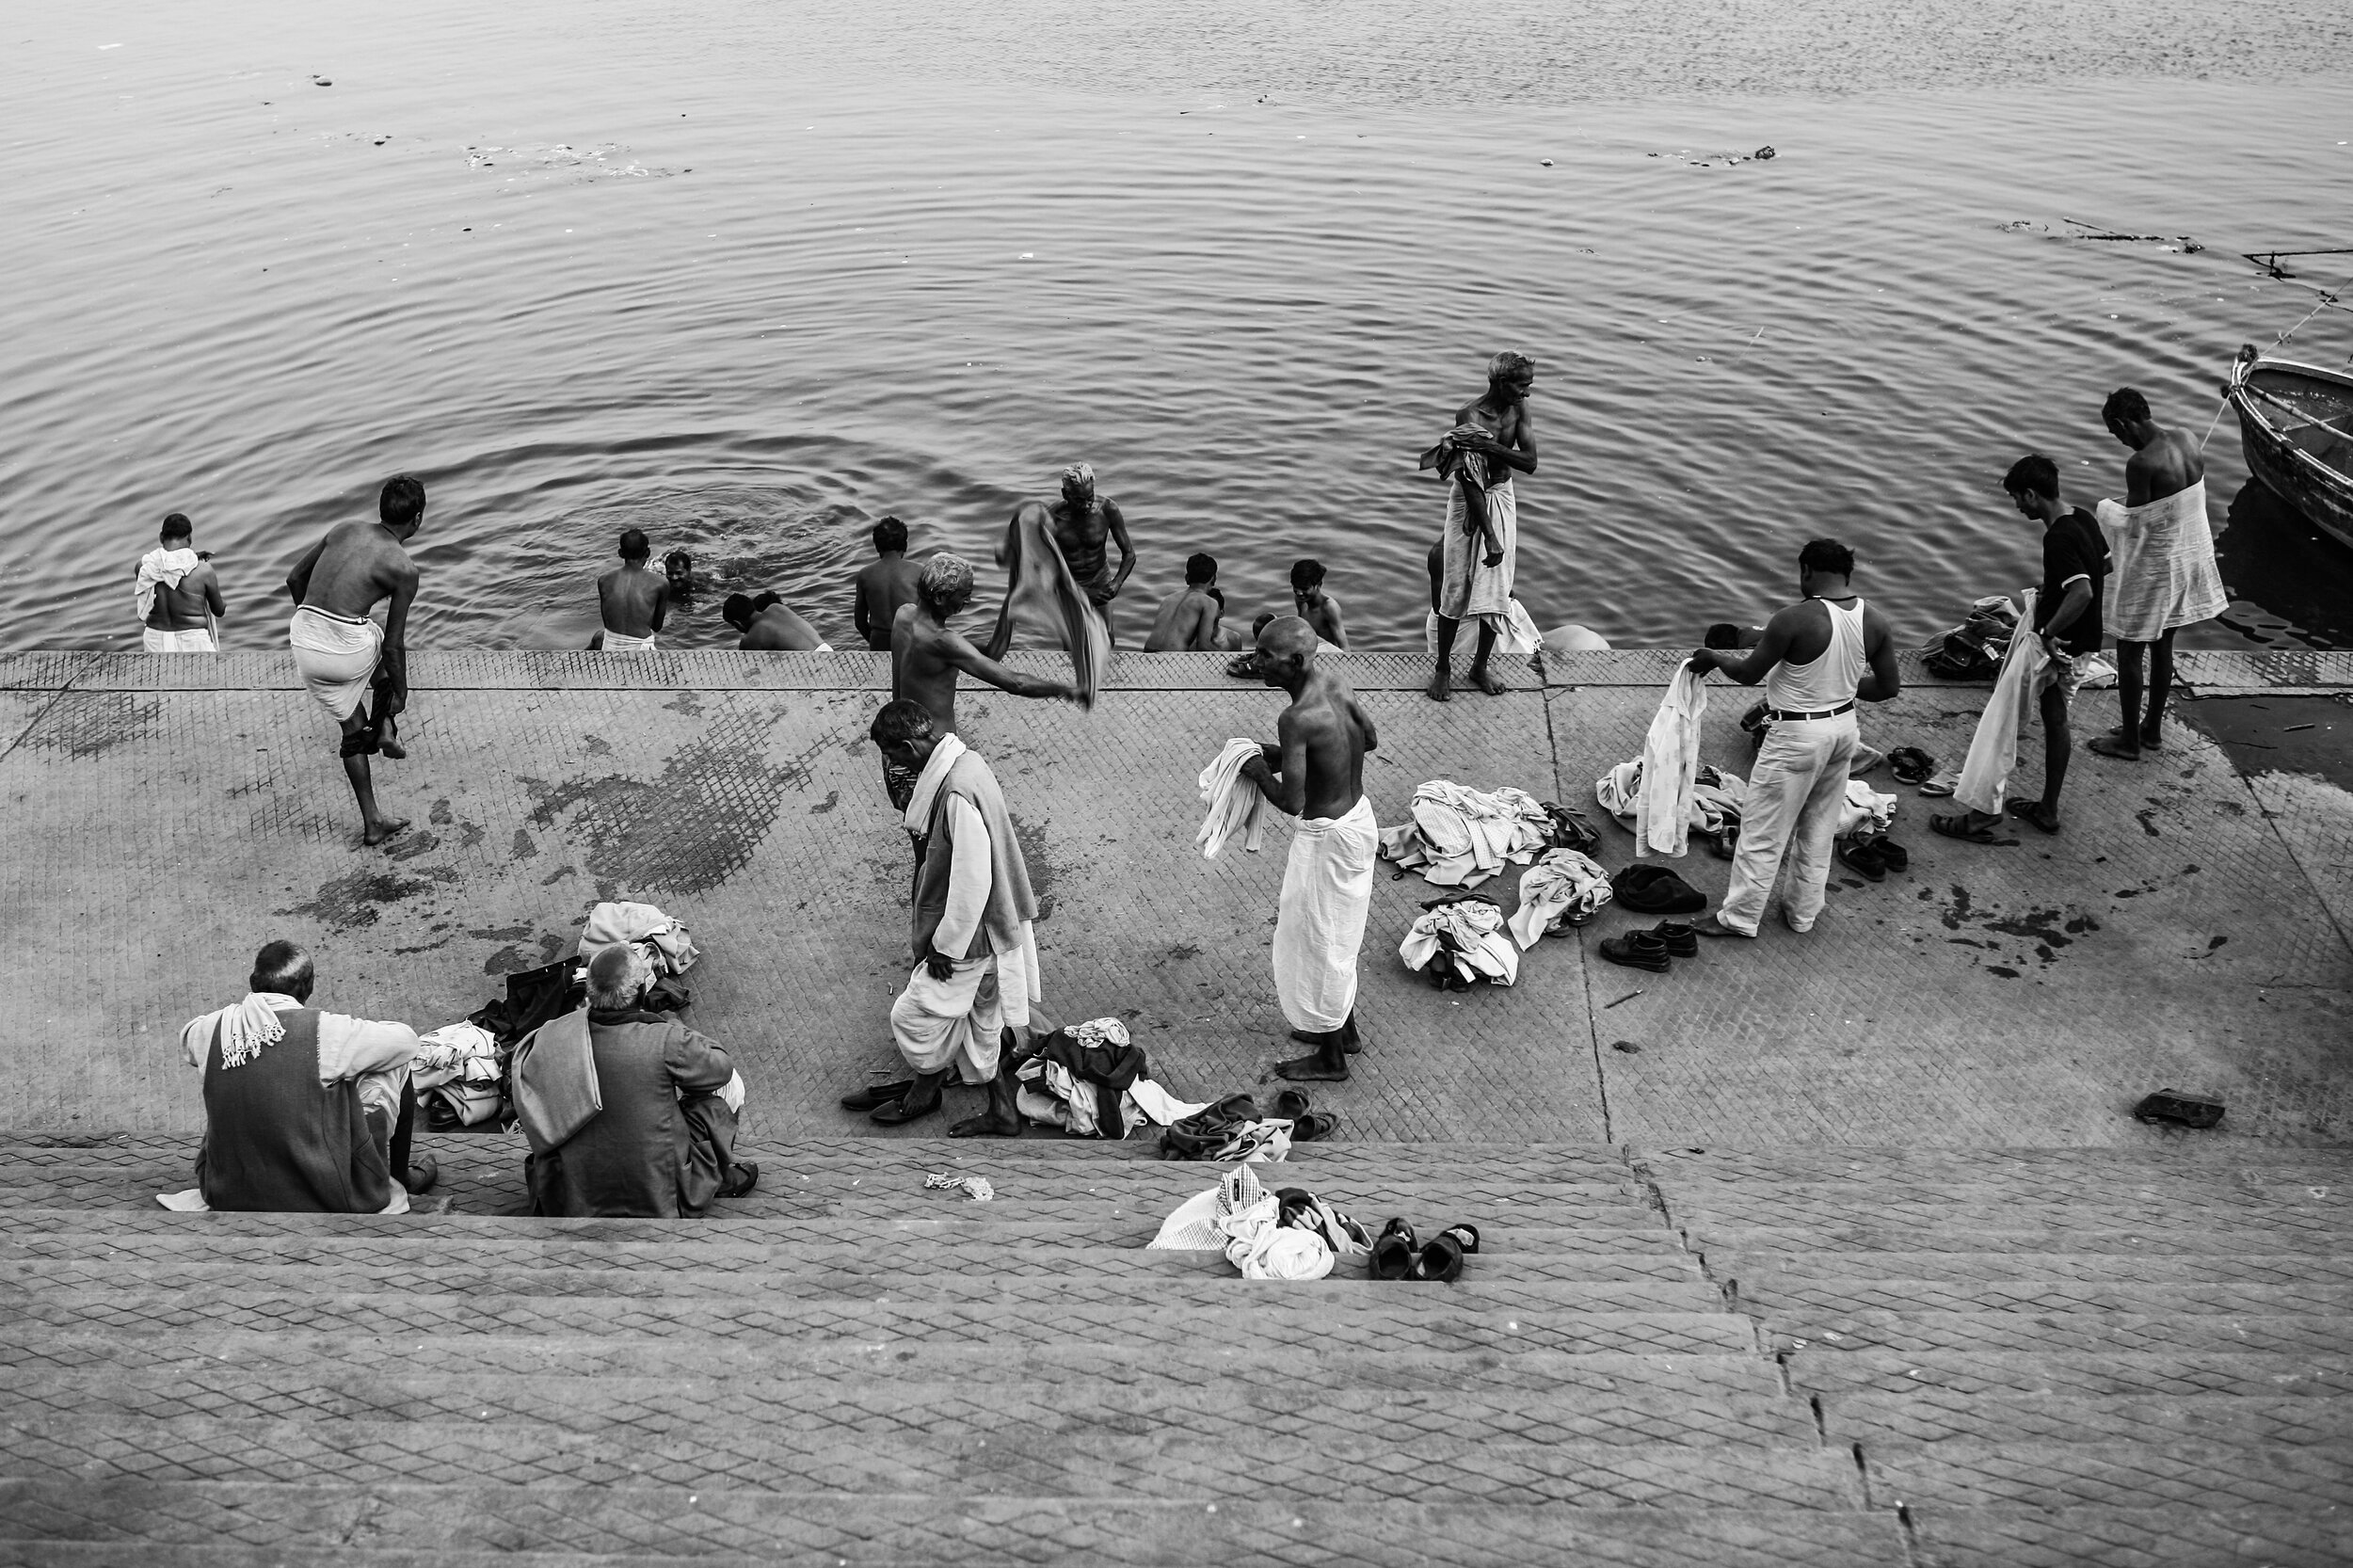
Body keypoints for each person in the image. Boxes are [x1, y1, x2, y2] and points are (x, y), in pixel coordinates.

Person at [843, 699, 1040, 1136]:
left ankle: (927, 1086)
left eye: (894, 756)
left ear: (912, 747)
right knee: (978, 1015)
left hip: (973, 934)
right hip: (992, 926)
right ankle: (995, 1107)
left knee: (915, 1015)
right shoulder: (967, 762)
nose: (894, 766)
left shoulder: (954, 793)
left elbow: (973, 880)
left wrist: (943, 947)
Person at [1685, 539, 1899, 937]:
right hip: (1844, 730)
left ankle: (1739, 918)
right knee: (1818, 829)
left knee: (1763, 831)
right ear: (1847, 574)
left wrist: (1713, 657)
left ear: (1806, 571)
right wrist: (1843, 687)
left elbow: (1748, 673)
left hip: (1796, 736)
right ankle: (1802, 914)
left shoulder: (1794, 618)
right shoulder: (1876, 620)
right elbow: (1888, 687)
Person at [178, 939, 436, 1212]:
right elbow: (407, 1042)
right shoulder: (328, 1031)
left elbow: (189, 1038)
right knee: (393, 1065)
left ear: (253, 983)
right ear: (307, 987)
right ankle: (401, 1176)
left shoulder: (212, 1028)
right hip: (324, 1191)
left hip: (225, 1190)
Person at [1935, 456, 2110, 840]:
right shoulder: (2082, 518)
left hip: (2050, 646)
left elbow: (2082, 591)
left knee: (2000, 726)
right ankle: (2048, 809)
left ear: (2032, 494)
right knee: (2055, 718)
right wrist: (2053, 587)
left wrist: (2048, 628)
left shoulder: (2057, 536)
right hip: (2082, 646)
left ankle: (1981, 816)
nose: (2017, 506)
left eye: (2017, 498)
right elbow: (2104, 566)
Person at [1239, 616, 1380, 1081]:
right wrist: (1283, 752)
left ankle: (1332, 1058)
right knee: (1337, 936)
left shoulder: (1295, 717)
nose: (1256, 662)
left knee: (1317, 943)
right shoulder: (1334, 682)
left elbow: (1292, 801)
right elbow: (1369, 739)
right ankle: (1343, 1031)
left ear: (1295, 661)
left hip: (1327, 839)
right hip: (1358, 820)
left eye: (1265, 656)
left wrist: (1258, 770)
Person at [520, 944, 758, 1217]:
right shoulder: (665, 1039)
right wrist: (670, 1023)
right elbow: (721, 1069)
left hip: (570, 1195)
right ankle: (722, 1175)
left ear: (589, 994)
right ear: (642, 992)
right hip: (658, 1193)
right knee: (724, 1091)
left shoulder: (551, 1036)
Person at [2086, 387, 2225, 760]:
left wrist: (2105, 509)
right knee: (2163, 647)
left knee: (2129, 650)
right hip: (2186, 558)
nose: (2120, 442)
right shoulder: (2188, 437)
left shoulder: (2141, 463)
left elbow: (2135, 525)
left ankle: (2129, 741)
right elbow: (2170, 504)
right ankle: (2151, 729)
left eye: (2116, 434)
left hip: (2157, 569)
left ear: (2122, 423)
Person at [284, 474, 424, 847]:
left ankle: (373, 821)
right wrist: (401, 696)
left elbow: (294, 578)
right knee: (377, 637)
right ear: (417, 519)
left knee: (352, 731)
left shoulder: (343, 529)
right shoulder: (403, 567)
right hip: (346, 649)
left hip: (304, 643)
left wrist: (316, 625)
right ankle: (386, 725)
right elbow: (395, 646)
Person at [1430, 352, 1540, 701]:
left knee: (1498, 587)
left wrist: (1489, 446)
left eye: (1529, 386)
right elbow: (1470, 480)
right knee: (1456, 585)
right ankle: (1443, 668)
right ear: (1500, 383)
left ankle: (1479, 666)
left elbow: (1530, 462)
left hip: (1502, 494)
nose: (1526, 393)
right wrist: (1489, 536)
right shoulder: (1470, 415)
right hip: (1468, 498)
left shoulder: (1519, 409)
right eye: (1521, 386)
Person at [987, 462, 1135, 648]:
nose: (1086, 505)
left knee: (1107, 638)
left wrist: (1116, 583)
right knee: (1074, 643)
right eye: (1079, 500)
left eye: (1090, 497)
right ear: (1065, 494)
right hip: (1069, 584)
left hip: (1100, 577)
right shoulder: (1053, 520)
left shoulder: (1108, 510)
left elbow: (1129, 554)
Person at [136, 512, 224, 652]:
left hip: (156, 640)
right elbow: (219, 610)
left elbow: (168, 567)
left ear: (161, 537)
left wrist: (193, 556)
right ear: (189, 537)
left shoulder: (143, 567)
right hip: (193, 640)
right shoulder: (203, 571)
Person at [589, 528, 668, 651]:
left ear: (620, 553)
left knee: (600, 636)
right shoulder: (660, 583)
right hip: (641, 650)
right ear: (647, 553)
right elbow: (657, 626)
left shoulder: (604, 580)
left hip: (610, 646)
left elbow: (608, 623)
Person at [853, 517, 925, 651]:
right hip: (909, 641)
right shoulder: (919, 571)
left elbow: (860, 622)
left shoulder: (865, 574)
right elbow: (929, 616)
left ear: (877, 546)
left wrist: (876, 641)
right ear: (905, 545)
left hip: (879, 642)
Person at [1144, 552, 1236, 651]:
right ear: (1213, 578)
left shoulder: (1169, 599)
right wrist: (1227, 659)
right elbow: (1203, 646)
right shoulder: (1209, 603)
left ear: (1187, 577)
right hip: (1172, 657)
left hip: (1147, 651)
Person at [724, 592, 829, 651]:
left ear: (737, 623)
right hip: (829, 650)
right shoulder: (776, 607)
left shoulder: (750, 639)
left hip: (813, 662)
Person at [1290, 559, 1349, 649]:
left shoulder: (1329, 607)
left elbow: (1344, 646)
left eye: (1304, 588)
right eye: (1296, 588)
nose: (1299, 593)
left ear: (1318, 585)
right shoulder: (1301, 600)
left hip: (1326, 656)